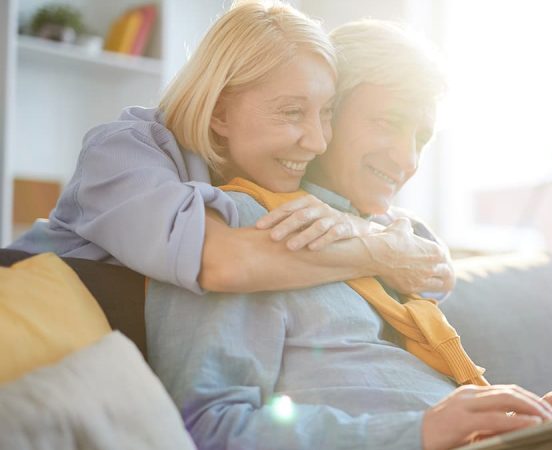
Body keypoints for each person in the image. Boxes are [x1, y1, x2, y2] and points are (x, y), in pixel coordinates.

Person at [147, 18, 552, 450]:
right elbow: (207, 425)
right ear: (325, 111)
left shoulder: (394, 247)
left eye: (422, 137)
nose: (407, 159)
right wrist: (420, 429)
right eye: (390, 124)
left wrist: (523, 414)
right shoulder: (240, 232)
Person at [6, 1, 454, 299]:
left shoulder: (279, 176)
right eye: (293, 111)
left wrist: (373, 237)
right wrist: (382, 254)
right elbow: (223, 263)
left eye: (324, 113)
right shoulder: (123, 151)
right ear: (220, 112)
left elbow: (428, 263)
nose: (318, 140)